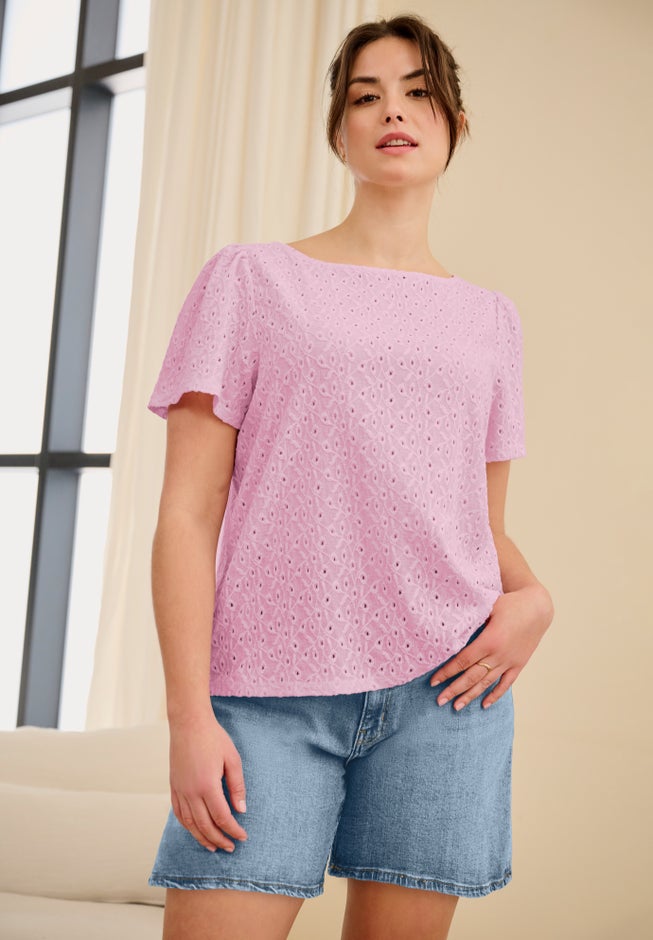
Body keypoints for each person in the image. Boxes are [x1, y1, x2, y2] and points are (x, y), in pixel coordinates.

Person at [146, 13, 554, 940]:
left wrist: (531, 599)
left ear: (454, 125)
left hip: (446, 695)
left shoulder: (491, 321)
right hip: (265, 695)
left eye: (417, 93)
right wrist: (187, 717)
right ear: (338, 132)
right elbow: (186, 513)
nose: (392, 112)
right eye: (365, 97)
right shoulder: (250, 281)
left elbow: (475, 523)